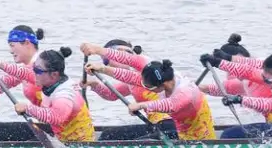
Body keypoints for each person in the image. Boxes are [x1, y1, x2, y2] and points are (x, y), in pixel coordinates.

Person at [85, 56, 215, 141]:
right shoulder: (156, 77)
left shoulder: (182, 88)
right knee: (109, 135)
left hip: (186, 133)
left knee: (136, 142)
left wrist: (141, 105)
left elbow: (171, 104)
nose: (144, 87)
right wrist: (99, 74)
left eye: (148, 87)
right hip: (172, 129)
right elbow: (124, 82)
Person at [79, 39, 179, 141]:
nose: (107, 63)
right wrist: (94, 84)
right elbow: (111, 94)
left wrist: (97, 49)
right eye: (105, 61)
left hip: (171, 123)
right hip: (158, 125)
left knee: (107, 136)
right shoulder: (133, 80)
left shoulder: (148, 68)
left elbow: (128, 59)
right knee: (109, 135)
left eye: (106, 59)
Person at [8, 48, 94, 142]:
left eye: (37, 70)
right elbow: (23, 73)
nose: (34, 72)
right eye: (34, 68)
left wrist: (27, 108)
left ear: (54, 74)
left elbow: (56, 117)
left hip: (78, 146)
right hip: (60, 139)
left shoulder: (65, 94)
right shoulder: (51, 79)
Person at [0, 25, 45, 114]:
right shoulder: (28, 66)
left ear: (27, 43)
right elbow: (11, 79)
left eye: (12, 45)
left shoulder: (43, 64)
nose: (10, 51)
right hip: (45, 120)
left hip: (59, 123)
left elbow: (24, 73)